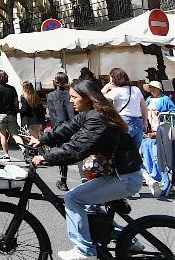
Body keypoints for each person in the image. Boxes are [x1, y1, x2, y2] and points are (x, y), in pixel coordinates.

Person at [28, 79, 143, 260]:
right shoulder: (92, 113)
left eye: (74, 97)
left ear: (88, 98)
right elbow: (68, 128)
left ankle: (83, 250)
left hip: (124, 178)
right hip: (120, 175)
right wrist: (43, 139)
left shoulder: (99, 119)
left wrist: (45, 157)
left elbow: (77, 148)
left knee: (72, 198)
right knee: (92, 209)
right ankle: (127, 240)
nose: (71, 101)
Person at [103, 68, 148, 149]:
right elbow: (144, 107)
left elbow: (99, 99)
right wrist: (144, 123)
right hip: (138, 121)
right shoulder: (136, 89)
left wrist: (106, 87)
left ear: (114, 78)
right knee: (135, 151)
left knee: (123, 149)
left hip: (124, 121)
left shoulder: (116, 91)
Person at [47, 72, 77, 192]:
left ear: (56, 81)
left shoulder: (51, 95)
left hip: (59, 126)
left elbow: (52, 115)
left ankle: (63, 180)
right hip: (73, 125)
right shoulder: (71, 94)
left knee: (62, 153)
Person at [0, 70, 20, 161]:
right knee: (15, 134)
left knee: (3, 135)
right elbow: (16, 102)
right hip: (12, 114)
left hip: (1, 115)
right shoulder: (12, 88)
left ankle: (6, 154)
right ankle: (25, 149)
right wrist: (15, 111)